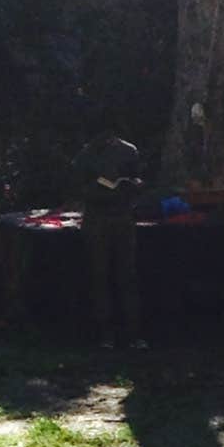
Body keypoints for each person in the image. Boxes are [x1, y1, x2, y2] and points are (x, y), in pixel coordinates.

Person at [72, 134, 143, 347]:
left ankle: (132, 332)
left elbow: (138, 180)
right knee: (99, 274)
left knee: (126, 275)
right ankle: (105, 332)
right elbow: (78, 187)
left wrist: (131, 185)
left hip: (122, 217)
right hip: (98, 218)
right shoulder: (86, 154)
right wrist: (98, 189)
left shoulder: (129, 150)